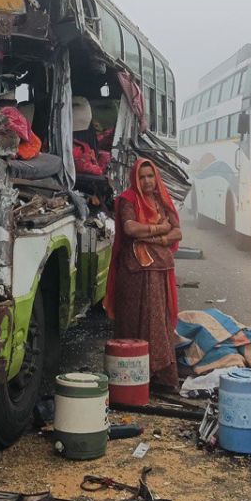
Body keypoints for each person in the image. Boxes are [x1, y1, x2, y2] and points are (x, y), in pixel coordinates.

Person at [104, 158, 183, 392]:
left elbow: (178, 232)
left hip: (159, 269)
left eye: (150, 176)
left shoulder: (161, 198)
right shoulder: (129, 199)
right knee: (133, 320)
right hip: (134, 271)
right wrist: (160, 229)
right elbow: (129, 229)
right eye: (142, 177)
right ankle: (132, 379)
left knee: (158, 319)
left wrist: (153, 237)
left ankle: (159, 376)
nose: (147, 181)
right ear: (134, 179)